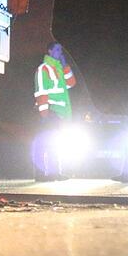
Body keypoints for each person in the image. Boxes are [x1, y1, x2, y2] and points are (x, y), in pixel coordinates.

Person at [31, 42, 75, 181]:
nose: (59, 52)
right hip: (50, 111)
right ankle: (42, 174)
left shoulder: (58, 68)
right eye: (56, 49)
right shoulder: (43, 69)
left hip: (59, 113)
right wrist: (44, 114)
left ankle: (54, 172)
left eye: (60, 50)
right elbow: (41, 92)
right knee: (45, 144)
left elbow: (71, 83)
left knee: (54, 144)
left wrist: (65, 66)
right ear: (49, 51)